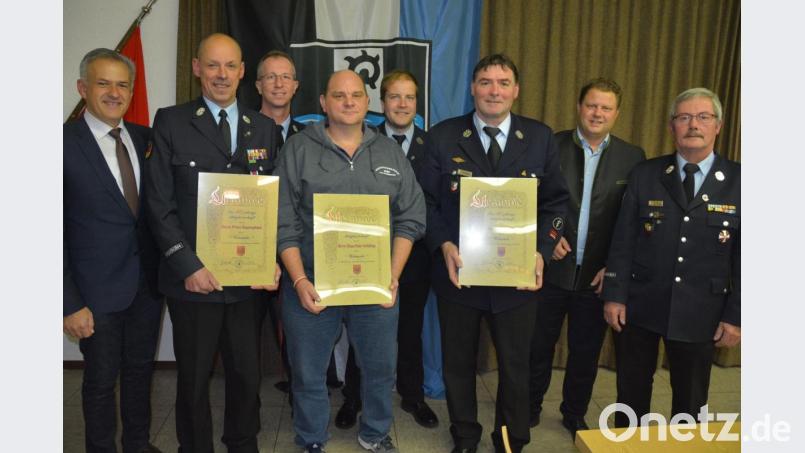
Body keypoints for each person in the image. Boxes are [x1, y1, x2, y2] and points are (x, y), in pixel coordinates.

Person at [419, 54, 569, 453]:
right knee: (458, 365)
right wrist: (444, 245)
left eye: (503, 83)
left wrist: (542, 250)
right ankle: (465, 437)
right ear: (472, 88)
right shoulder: (443, 136)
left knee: (516, 367)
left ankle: (510, 440)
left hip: (517, 276)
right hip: (459, 274)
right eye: (485, 82)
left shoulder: (539, 138)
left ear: (516, 91)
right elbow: (425, 203)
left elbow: (556, 203)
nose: (494, 90)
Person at [276, 69, 426, 453]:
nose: (347, 102)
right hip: (311, 285)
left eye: (356, 95)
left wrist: (391, 277)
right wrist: (297, 280)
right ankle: (311, 438)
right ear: (323, 103)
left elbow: (411, 216)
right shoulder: (298, 149)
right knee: (308, 373)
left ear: (367, 103)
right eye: (338, 95)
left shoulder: (389, 152)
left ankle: (375, 433)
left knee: (379, 371)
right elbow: (282, 220)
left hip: (374, 286)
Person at [144, 33, 280, 453]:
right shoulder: (171, 120)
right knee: (194, 377)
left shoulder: (266, 128)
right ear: (197, 68)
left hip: (245, 281)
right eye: (213, 65)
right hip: (193, 280)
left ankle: (242, 444)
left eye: (231, 66)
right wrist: (188, 265)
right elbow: (159, 203)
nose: (222, 75)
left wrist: (270, 259)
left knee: (245, 375)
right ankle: (195, 447)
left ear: (243, 71)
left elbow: (272, 202)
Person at [602, 87, 740, 428]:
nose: (694, 124)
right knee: (631, 396)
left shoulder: (741, 181)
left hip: (701, 311)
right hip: (641, 304)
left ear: (718, 126)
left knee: (690, 400)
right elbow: (623, 241)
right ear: (671, 126)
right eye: (684, 117)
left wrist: (736, 315)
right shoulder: (646, 174)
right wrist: (614, 295)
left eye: (703, 117)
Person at [528, 78, 645, 438]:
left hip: (597, 276)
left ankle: (574, 412)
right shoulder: (551, 145)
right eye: (591, 105)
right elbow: (528, 201)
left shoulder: (632, 157)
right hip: (550, 270)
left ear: (616, 114)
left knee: (585, 352)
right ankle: (529, 408)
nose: (597, 113)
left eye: (605, 107)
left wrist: (614, 267)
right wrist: (545, 239)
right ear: (579, 107)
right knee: (537, 347)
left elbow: (633, 220)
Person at [64, 48, 163, 453]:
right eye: (103, 83)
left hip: (146, 287)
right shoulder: (59, 144)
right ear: (83, 88)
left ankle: (137, 446)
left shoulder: (143, 138)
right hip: (94, 294)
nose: (114, 92)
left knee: (140, 374)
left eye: (122, 84)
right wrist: (68, 303)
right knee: (101, 382)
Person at [335, 70, 439, 431]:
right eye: (394, 97)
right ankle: (353, 397)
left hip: (416, 257)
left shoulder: (433, 145)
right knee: (362, 330)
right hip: (366, 252)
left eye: (409, 97)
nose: (402, 104)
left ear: (417, 103)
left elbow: (434, 201)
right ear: (381, 103)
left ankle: (412, 396)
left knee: (409, 330)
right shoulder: (364, 141)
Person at [255, 50, 305, 145]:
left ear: (295, 86)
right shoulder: (240, 131)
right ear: (259, 86)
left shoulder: (307, 137)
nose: (278, 84)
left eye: (285, 77)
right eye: (271, 77)